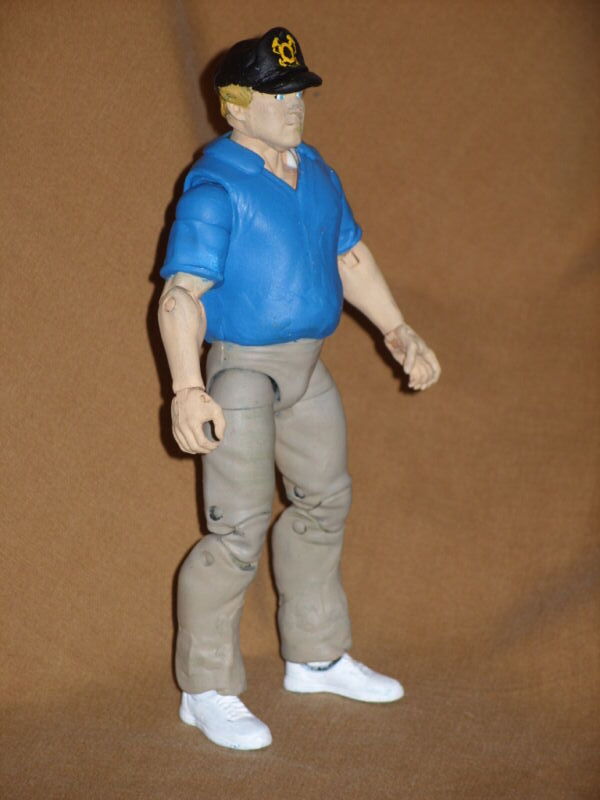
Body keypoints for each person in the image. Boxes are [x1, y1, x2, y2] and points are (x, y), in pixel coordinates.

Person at [158, 26, 440, 750]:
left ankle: (315, 655)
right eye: (276, 95)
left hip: (308, 366)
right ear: (234, 106)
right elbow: (182, 294)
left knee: (325, 501)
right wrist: (187, 388)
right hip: (243, 372)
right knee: (236, 530)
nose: (293, 106)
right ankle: (205, 686)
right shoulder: (216, 186)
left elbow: (349, 256)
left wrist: (397, 328)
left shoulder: (314, 171)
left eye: (298, 93)